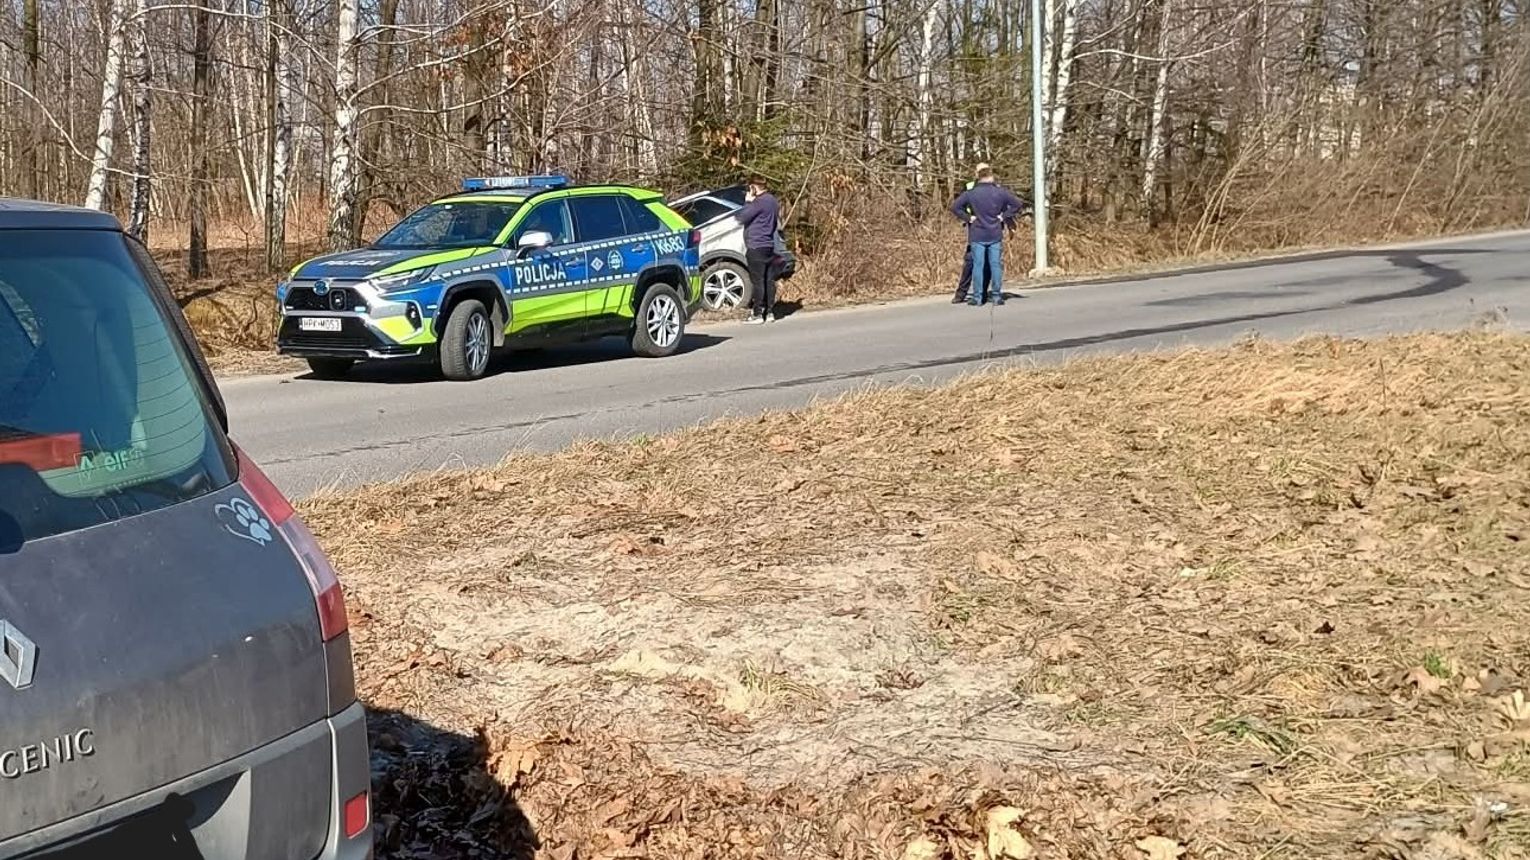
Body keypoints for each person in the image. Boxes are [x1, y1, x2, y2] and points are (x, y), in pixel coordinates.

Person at [950, 165, 1025, 306]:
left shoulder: (971, 193)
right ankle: (996, 296)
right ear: (991, 177)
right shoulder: (1000, 192)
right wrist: (1004, 216)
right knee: (995, 265)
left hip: (977, 233)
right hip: (995, 232)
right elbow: (1017, 204)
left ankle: (978, 298)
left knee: (978, 265)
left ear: (979, 177)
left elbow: (955, 207)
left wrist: (968, 218)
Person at [734, 175, 781, 324]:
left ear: (753, 187)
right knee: (769, 280)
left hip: (756, 245)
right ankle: (770, 311)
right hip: (768, 244)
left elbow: (741, 217)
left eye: (750, 187)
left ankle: (757, 313)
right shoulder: (773, 201)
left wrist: (748, 202)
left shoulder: (758, 203)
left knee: (758, 280)